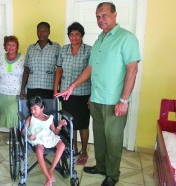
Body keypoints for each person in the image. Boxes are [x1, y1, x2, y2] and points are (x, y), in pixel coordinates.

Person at [55, 2, 140, 186]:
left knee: (113, 140)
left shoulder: (127, 38)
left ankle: (112, 174)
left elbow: (132, 69)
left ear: (115, 14)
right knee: (100, 137)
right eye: (98, 16)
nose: (101, 20)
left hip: (114, 101)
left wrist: (124, 100)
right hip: (96, 99)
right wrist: (72, 86)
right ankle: (101, 166)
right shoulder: (99, 41)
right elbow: (90, 68)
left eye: (104, 15)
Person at [54, 22, 91, 165]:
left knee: (83, 124)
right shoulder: (63, 50)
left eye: (77, 34)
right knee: (70, 123)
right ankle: (73, 147)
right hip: (66, 94)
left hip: (83, 93)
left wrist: (91, 95)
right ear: (68, 36)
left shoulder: (89, 50)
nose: (74, 37)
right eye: (71, 34)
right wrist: (56, 89)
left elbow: (93, 73)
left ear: (82, 36)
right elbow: (59, 70)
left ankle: (84, 151)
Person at [22, 96, 67, 186]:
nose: (33, 111)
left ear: (42, 108)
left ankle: (51, 170)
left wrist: (60, 125)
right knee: (39, 150)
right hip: (37, 139)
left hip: (49, 137)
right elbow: (23, 131)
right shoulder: (30, 118)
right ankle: (47, 177)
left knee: (62, 145)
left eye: (35, 109)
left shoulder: (49, 118)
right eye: (31, 109)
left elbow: (55, 132)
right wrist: (28, 135)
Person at [20, 22, 61, 99]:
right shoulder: (31, 48)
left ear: (49, 32)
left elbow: (60, 69)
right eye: (39, 31)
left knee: (48, 111)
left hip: (49, 88)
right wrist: (22, 89)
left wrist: (59, 89)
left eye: (44, 31)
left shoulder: (56, 47)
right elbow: (26, 70)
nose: (42, 33)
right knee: (32, 110)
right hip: (32, 87)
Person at [0, 36, 25, 130]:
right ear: (5, 47)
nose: (11, 47)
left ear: (17, 46)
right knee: (7, 114)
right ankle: (11, 136)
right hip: (3, 92)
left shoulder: (23, 58)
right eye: (8, 45)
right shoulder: (1, 58)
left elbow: (26, 74)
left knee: (16, 114)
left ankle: (17, 137)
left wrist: (23, 90)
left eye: (13, 45)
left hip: (17, 92)